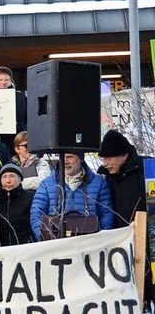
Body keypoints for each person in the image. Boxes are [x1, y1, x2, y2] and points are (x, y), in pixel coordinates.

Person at [97, 129, 155, 303]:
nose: (106, 163)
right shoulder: (107, 177)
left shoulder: (149, 168)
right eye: (103, 159)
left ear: (123, 155)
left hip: (151, 241)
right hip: (125, 243)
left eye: (109, 158)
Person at [30, 152, 114, 241]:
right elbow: (36, 214)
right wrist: (43, 239)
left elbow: (106, 214)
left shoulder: (99, 183)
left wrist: (100, 241)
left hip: (89, 246)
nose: (65, 161)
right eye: (62, 157)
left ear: (81, 159)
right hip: (54, 246)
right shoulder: (46, 184)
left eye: (70, 157)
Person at [0, 164, 34, 246]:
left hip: (26, 248)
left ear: (20, 179)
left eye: (12, 176)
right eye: (4, 177)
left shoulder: (31, 198)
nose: (8, 180)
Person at [0, 66, 28, 154]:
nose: (3, 82)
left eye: (6, 79)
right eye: (0, 80)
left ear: (11, 81)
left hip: (17, 137)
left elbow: (27, 117)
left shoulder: (21, 98)